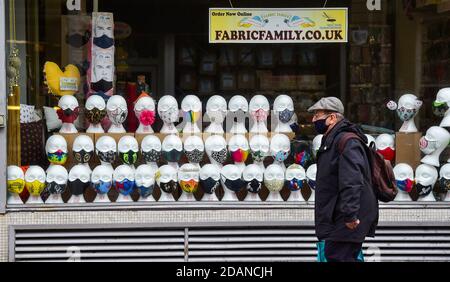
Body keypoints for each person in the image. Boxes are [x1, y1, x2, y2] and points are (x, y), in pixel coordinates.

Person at [308, 97, 379, 262]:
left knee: (337, 256)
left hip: (346, 220)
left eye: (317, 115)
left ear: (332, 117)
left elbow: (352, 180)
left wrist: (350, 215)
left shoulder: (346, 141)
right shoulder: (333, 140)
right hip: (339, 217)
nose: (313, 120)